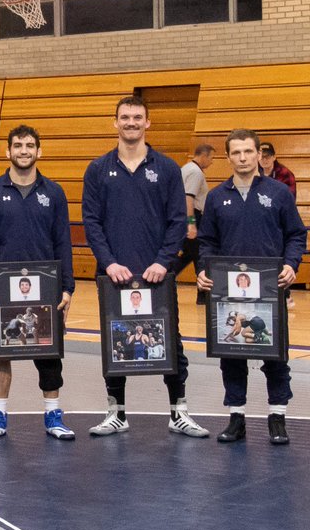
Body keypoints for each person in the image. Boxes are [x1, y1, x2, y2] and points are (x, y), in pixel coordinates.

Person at [82, 96, 208, 438]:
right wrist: (108, 263)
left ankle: (178, 410)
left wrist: (163, 262)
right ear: (115, 122)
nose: (131, 122)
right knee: (114, 340)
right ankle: (117, 411)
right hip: (113, 276)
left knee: (172, 340)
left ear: (148, 123)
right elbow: (91, 222)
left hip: (156, 275)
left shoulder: (166, 168)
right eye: (125, 117)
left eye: (138, 117)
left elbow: (177, 220)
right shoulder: (97, 169)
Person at [197, 129, 306, 444]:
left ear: (259, 154)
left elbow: (296, 234)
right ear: (228, 156)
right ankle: (237, 418)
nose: (242, 158)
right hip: (229, 293)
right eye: (236, 153)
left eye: (248, 151)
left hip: (270, 290)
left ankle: (277, 417)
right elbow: (207, 242)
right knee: (232, 355)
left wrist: (291, 264)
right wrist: (205, 271)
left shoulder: (279, 192)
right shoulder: (217, 197)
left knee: (275, 356)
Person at [0, 125, 75, 441]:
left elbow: (63, 242)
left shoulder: (54, 192)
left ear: (39, 151)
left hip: (45, 287)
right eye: (18, 145)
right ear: (8, 151)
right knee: (2, 352)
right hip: (4, 286)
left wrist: (68, 287)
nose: (24, 150)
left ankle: (53, 414)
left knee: (49, 354)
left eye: (30, 145)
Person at [173, 145, 212, 300]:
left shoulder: (186, 168)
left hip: (183, 215)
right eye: (211, 158)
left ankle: (202, 293)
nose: (211, 162)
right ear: (203, 156)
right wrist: (191, 223)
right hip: (192, 216)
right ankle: (203, 293)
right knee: (199, 254)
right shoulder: (195, 172)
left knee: (190, 254)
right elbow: (188, 198)